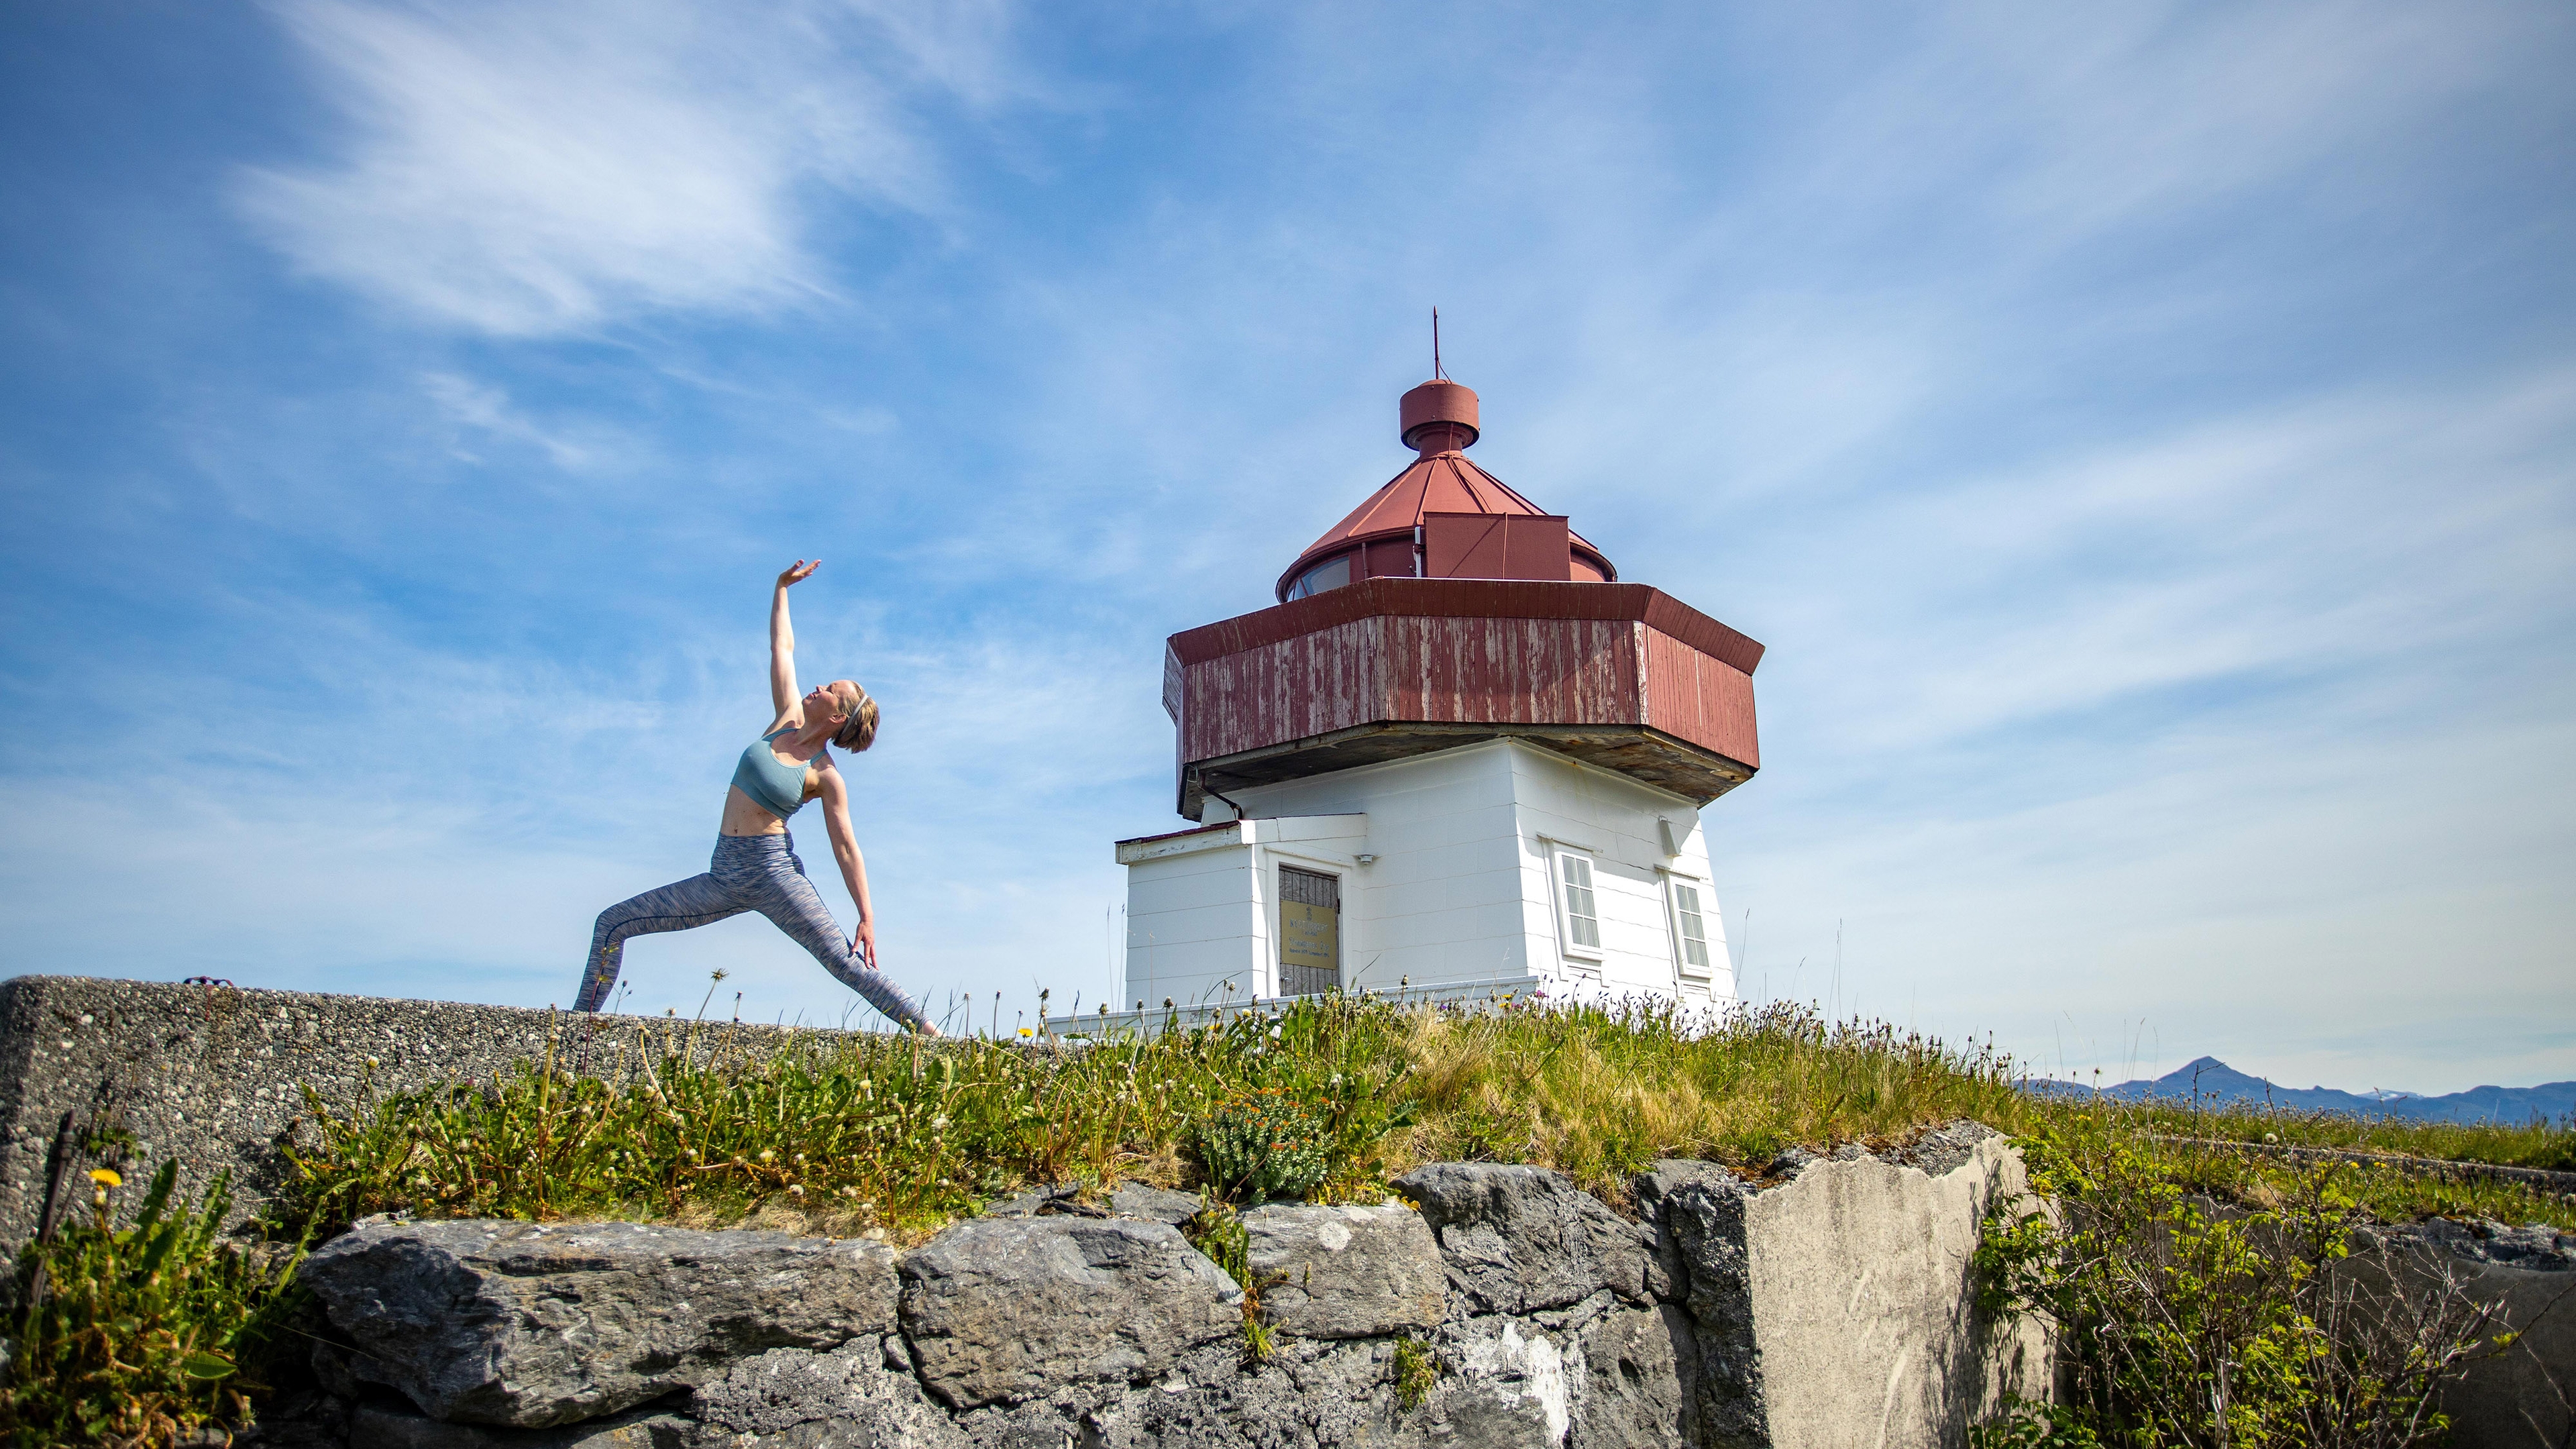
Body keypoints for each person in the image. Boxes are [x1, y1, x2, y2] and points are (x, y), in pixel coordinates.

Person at [571, 560, 936, 1033]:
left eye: (831, 690)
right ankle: (577, 1030)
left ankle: (932, 1035)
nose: (820, 686)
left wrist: (866, 916)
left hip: (773, 874)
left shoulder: (825, 775)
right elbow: (781, 647)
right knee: (613, 923)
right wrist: (781, 589)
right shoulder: (785, 718)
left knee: (845, 963)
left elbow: (847, 847)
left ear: (836, 717)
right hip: (723, 873)